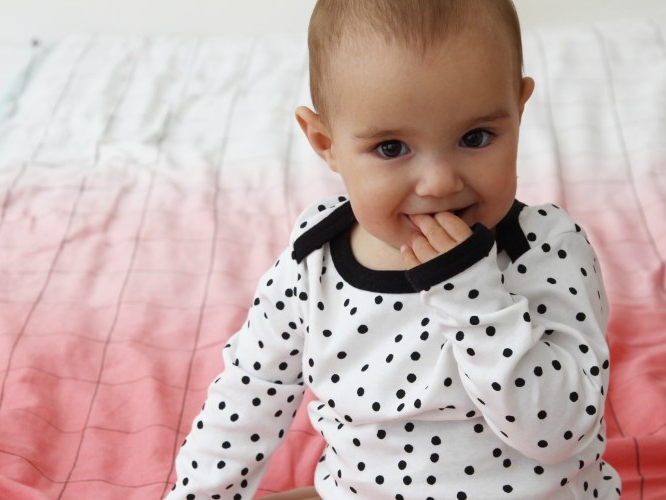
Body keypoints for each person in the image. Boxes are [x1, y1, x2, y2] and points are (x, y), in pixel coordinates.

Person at [165, 0, 622, 498]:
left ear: (519, 110)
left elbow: (560, 433)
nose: (440, 183)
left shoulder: (545, 250)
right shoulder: (313, 262)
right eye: (391, 148)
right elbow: (248, 396)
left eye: (476, 137)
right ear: (326, 143)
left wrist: (473, 296)